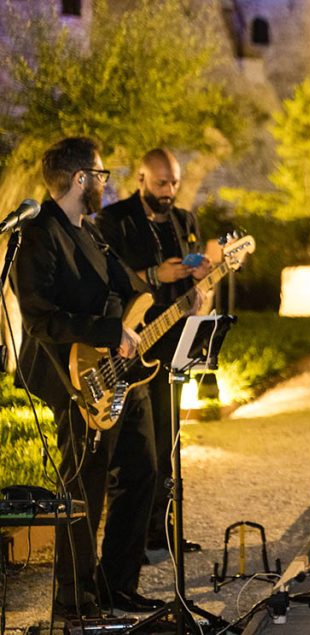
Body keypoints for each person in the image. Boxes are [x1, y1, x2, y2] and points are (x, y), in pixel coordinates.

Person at [12, 137, 163, 618]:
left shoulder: (92, 234)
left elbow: (131, 290)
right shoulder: (39, 234)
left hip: (118, 373)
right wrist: (105, 330)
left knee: (144, 472)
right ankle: (73, 599)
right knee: (84, 487)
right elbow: (39, 319)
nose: (105, 182)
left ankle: (117, 586)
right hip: (72, 376)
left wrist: (184, 294)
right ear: (80, 179)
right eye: (101, 174)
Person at [95, 147, 211, 559]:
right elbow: (108, 281)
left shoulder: (185, 220)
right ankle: (133, 537)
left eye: (175, 182)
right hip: (130, 346)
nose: (170, 190)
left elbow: (194, 289)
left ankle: (161, 531)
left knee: (168, 444)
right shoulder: (115, 220)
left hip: (173, 344)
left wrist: (199, 286)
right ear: (141, 178)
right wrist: (152, 276)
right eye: (162, 182)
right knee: (137, 453)